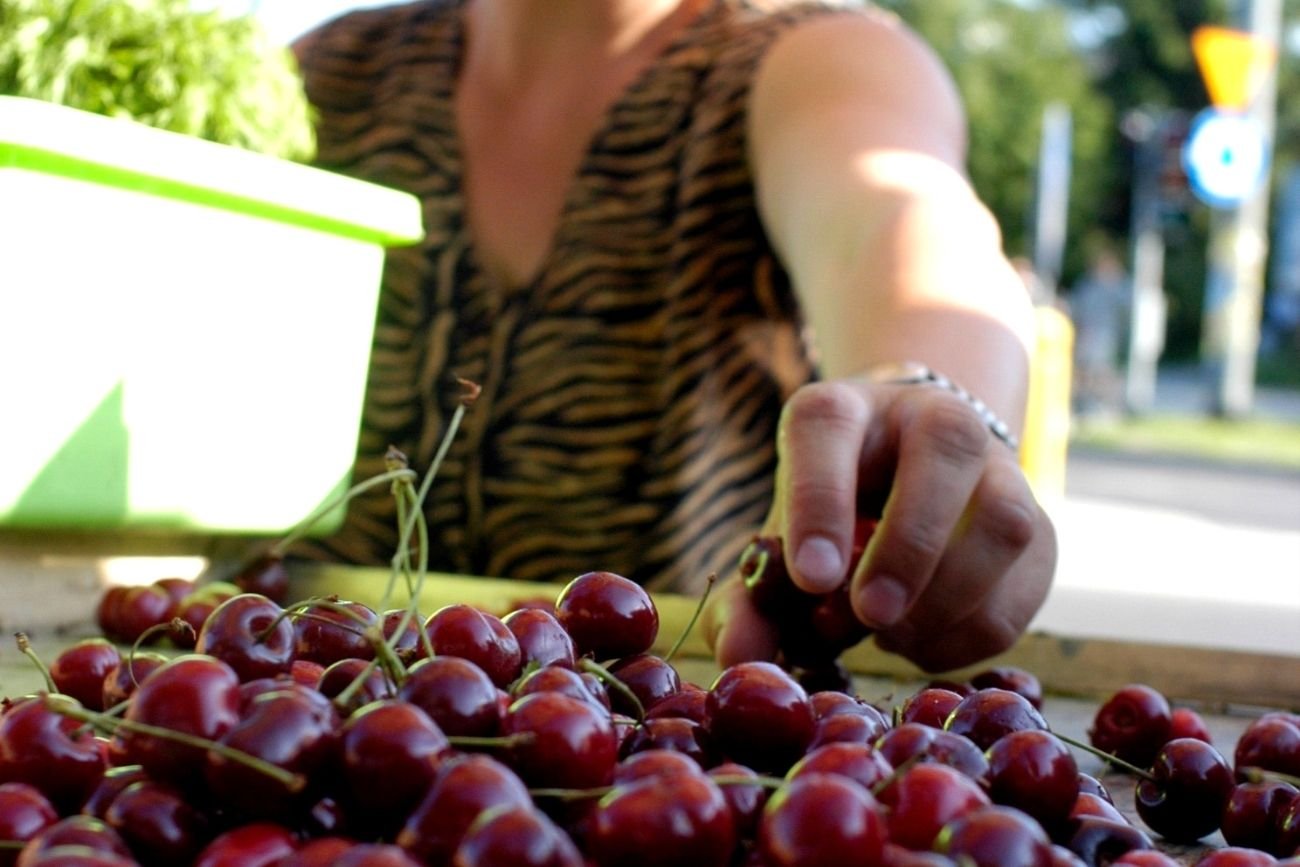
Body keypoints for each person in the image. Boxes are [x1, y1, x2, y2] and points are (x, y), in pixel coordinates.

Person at [287, 0, 1058, 675]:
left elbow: (896, 215)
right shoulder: (323, 78)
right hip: (296, 745)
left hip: (667, 778)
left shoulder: (809, 58)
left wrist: (929, 390)